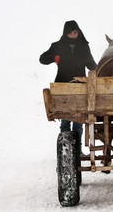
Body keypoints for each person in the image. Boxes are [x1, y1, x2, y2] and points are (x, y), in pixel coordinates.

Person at [40, 20, 97, 153]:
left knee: (78, 120)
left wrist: (95, 67)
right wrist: (54, 57)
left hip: (80, 88)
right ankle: (66, 150)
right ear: (66, 33)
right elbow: (42, 59)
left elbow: (91, 65)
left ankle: (77, 150)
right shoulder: (57, 46)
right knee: (65, 120)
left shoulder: (84, 46)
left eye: (75, 32)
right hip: (62, 87)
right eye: (70, 32)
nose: (73, 34)